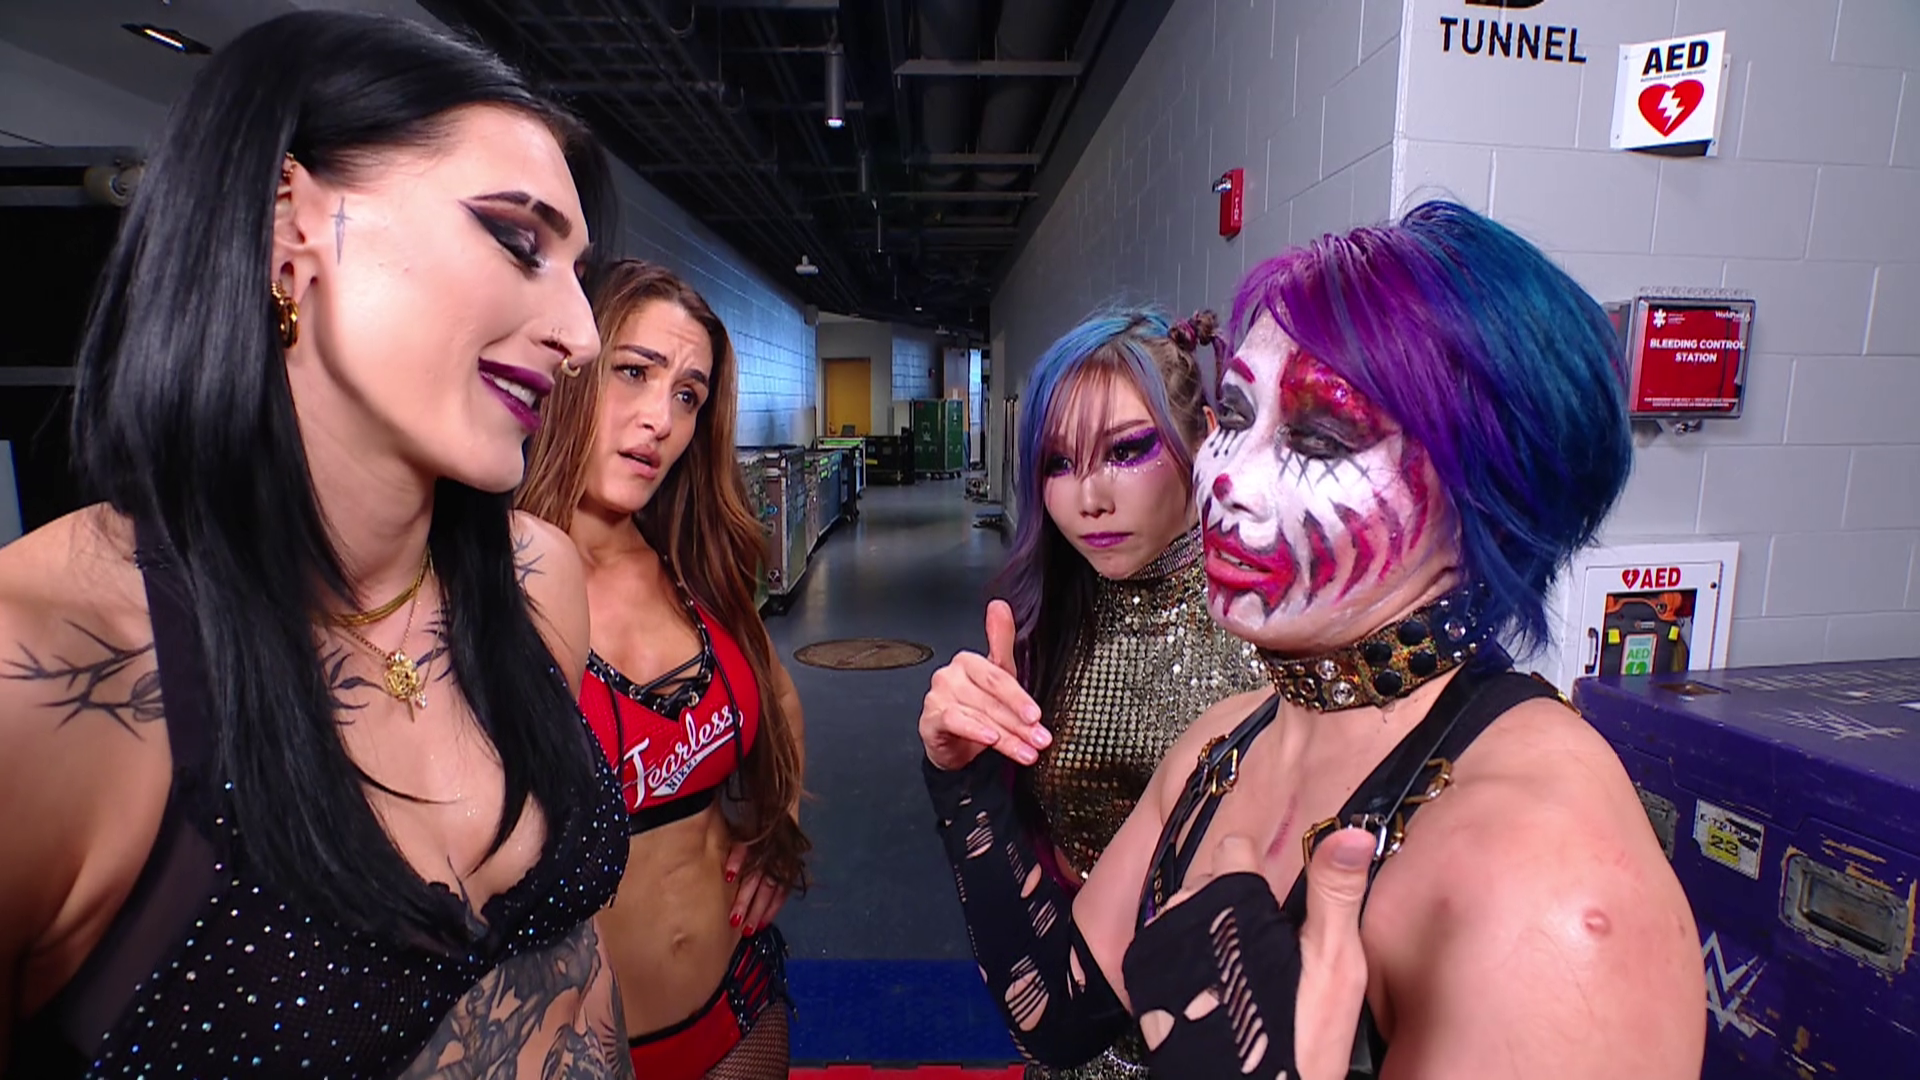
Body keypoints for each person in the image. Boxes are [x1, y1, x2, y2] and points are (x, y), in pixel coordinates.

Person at [920, 202, 1705, 1079]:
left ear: (1488, 495)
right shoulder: (1224, 741)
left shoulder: (1557, 888)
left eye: (1319, 437)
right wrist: (965, 779)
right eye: (1234, 415)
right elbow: (1060, 1016)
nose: (1229, 477)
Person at [0, 12, 640, 1078]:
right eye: (518, 241)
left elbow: (573, 965)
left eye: (580, 274)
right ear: (287, 224)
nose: (580, 336)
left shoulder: (535, 580)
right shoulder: (38, 678)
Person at [918, 310, 1264, 1077]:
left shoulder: (1274, 636)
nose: (1089, 498)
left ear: (1205, 437)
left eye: (1127, 450)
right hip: (1071, 1041)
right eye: (1058, 462)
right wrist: (962, 774)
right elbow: (1037, 979)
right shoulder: (1048, 618)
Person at [517, 258, 809, 1079]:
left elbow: (780, 702)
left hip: (738, 1005)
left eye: (687, 395)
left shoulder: (695, 566)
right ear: (571, 365)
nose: (661, 420)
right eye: (634, 372)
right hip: (582, 1054)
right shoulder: (493, 586)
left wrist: (778, 828)